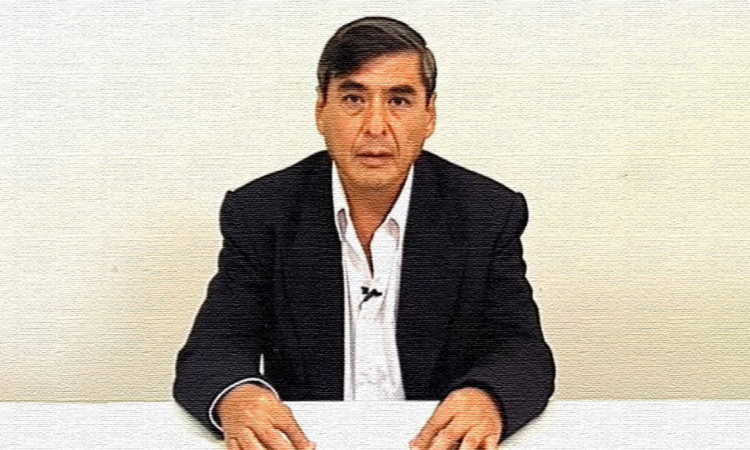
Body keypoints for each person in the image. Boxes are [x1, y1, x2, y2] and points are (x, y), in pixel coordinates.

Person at [174, 16, 555, 450]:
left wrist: (486, 398)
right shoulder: (262, 212)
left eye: (399, 101)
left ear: (429, 114)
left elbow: (522, 350)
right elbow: (214, 347)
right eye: (354, 98)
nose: (376, 126)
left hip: (432, 441)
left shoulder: (486, 212)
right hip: (313, 441)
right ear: (321, 109)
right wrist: (239, 397)